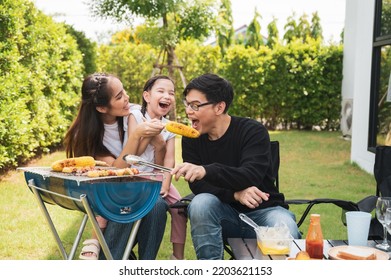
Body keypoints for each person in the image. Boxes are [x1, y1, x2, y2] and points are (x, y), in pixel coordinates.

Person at [171, 73, 301, 260]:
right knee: (200, 203)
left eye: (195, 105)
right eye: (187, 104)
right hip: (222, 215)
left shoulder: (252, 131)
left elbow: (250, 175)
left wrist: (206, 170)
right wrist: (235, 195)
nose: (188, 111)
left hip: (265, 212)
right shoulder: (192, 139)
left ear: (219, 107)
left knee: (286, 228)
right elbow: (198, 186)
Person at [64, 73, 168, 260]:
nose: (127, 98)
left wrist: (159, 145)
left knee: (157, 205)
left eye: (124, 91)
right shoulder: (87, 134)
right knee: (129, 201)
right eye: (119, 96)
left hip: (136, 188)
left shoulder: (135, 115)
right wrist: (136, 136)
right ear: (102, 107)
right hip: (108, 194)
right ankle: (112, 259)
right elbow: (116, 173)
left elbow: (153, 164)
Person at [128, 75, 187, 260]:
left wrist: (166, 183)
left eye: (171, 93)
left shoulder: (170, 127)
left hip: (157, 176)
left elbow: (169, 161)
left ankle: (177, 258)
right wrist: (149, 136)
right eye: (161, 91)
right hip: (135, 175)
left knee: (180, 208)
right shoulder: (136, 116)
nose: (167, 96)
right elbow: (133, 154)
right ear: (147, 96)